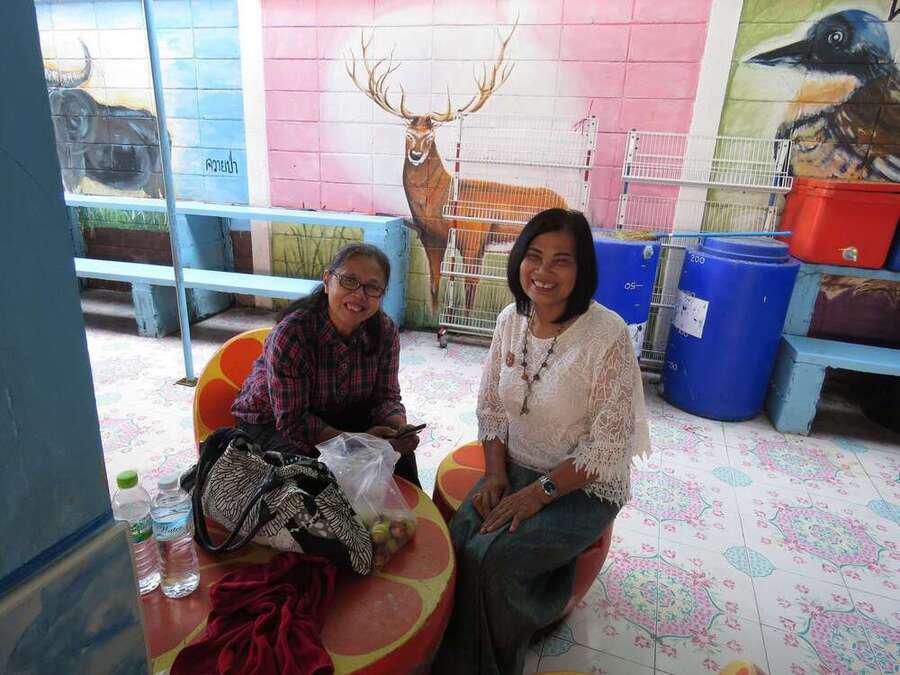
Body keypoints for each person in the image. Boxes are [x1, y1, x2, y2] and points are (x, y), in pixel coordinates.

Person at [433, 209, 650, 674]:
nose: (544, 271)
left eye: (561, 260)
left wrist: (538, 494)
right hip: (514, 467)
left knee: (496, 561)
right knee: (460, 542)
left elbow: (608, 448)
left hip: (583, 488)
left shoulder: (606, 334)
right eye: (534, 256)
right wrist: (496, 474)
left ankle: (491, 664)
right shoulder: (510, 319)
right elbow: (492, 407)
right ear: (518, 260)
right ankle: (455, 658)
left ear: (582, 269)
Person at [232, 242, 421, 486]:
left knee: (400, 457)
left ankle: (409, 512)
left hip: (338, 413)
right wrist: (357, 443)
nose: (359, 294)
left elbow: (385, 397)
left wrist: (399, 428)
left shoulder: (384, 331)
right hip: (272, 421)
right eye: (349, 280)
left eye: (372, 287)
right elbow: (293, 421)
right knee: (310, 476)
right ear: (327, 281)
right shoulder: (293, 334)